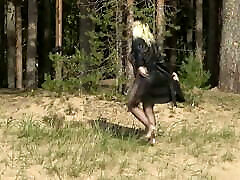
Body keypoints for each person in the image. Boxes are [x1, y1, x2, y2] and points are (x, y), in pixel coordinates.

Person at [127, 21, 185, 144]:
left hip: (145, 78)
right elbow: (160, 61)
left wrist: (140, 65)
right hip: (155, 77)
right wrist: (171, 73)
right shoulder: (151, 44)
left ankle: (150, 126)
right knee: (148, 106)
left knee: (131, 104)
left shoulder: (137, 41)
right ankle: (152, 139)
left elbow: (138, 55)